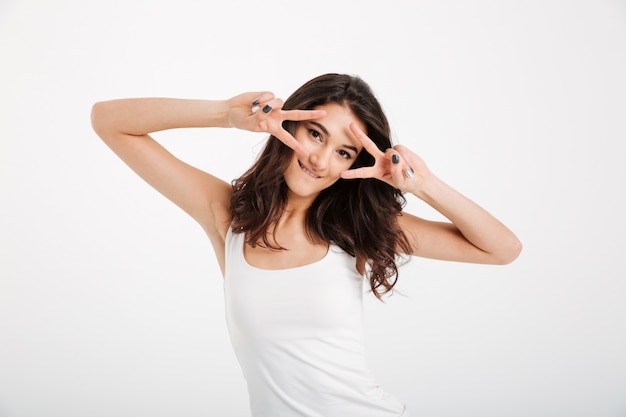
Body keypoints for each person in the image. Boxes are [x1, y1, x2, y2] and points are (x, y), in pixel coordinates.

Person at [91, 73, 521, 417]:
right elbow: (109, 121)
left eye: (344, 153)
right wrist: (226, 114)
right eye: (316, 134)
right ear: (289, 124)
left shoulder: (356, 229)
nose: (320, 159)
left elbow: (502, 249)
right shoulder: (228, 217)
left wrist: (424, 185)